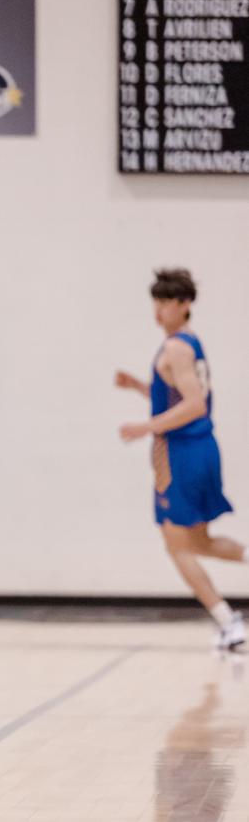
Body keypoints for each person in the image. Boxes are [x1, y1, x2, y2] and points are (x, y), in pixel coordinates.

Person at [115, 269, 245, 651]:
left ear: (184, 305)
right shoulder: (187, 344)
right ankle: (228, 620)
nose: (159, 309)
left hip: (181, 454)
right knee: (200, 541)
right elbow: (177, 396)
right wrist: (140, 387)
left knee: (177, 546)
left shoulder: (176, 348)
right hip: (199, 449)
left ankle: (229, 622)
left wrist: (145, 427)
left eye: (167, 302)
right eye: (156, 301)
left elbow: (194, 405)